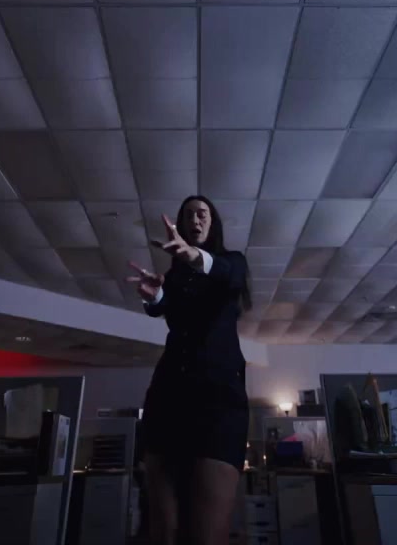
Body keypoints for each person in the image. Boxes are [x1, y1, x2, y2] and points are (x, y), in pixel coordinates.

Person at [125, 195, 252, 545]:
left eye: (202, 214)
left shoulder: (231, 262)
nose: (195, 220)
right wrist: (155, 296)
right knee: (164, 531)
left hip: (217, 402)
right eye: (189, 215)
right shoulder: (175, 276)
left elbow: (228, 275)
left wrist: (193, 256)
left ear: (212, 223)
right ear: (181, 224)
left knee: (205, 535)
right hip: (168, 396)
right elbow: (166, 309)